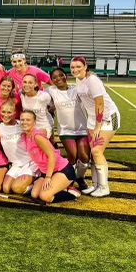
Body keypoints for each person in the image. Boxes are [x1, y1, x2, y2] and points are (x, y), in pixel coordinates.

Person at [70, 56, 121, 197]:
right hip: (92, 120)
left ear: (86, 67)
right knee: (93, 153)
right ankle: (96, 185)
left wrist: (98, 126)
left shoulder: (92, 80)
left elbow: (100, 104)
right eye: (73, 67)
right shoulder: (79, 79)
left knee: (97, 151)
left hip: (108, 117)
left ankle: (104, 187)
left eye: (78, 67)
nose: (75, 70)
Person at [20, 110, 79, 203]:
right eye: (22, 120)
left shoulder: (37, 136)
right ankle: (60, 187)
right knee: (34, 194)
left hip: (62, 169)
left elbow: (52, 156)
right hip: (47, 171)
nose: (24, 122)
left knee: (45, 196)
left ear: (34, 122)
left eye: (28, 120)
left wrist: (48, 177)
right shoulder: (25, 136)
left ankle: (71, 193)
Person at [48, 67, 90, 190]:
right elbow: (38, 96)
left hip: (82, 129)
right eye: (54, 77)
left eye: (61, 75)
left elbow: (91, 92)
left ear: (66, 76)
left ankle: (80, 177)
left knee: (84, 156)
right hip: (66, 130)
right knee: (72, 154)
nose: (58, 78)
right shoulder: (51, 90)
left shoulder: (77, 89)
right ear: (52, 80)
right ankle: (69, 178)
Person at [0, 101, 39, 194]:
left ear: (14, 113)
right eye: (3, 112)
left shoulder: (22, 125)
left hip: (30, 162)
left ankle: (38, 183)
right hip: (16, 164)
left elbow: (37, 135)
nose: (6, 115)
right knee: (6, 189)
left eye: (9, 112)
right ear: (0, 112)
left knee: (16, 188)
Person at [20, 74, 53, 138]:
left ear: (35, 84)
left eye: (30, 82)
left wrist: (50, 131)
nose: (27, 85)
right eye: (25, 82)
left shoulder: (44, 96)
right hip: (28, 127)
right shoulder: (21, 94)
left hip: (43, 127)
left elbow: (52, 107)